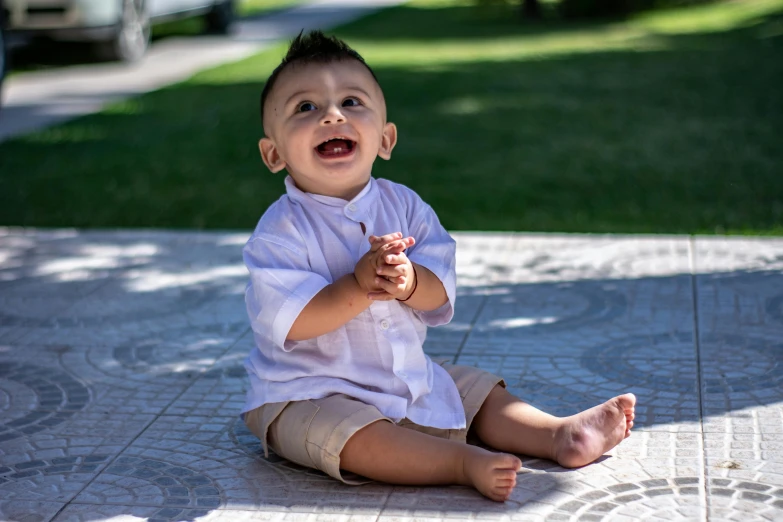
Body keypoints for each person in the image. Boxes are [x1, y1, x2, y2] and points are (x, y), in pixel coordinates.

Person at [241, 30, 636, 502]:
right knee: (346, 434)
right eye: (305, 108)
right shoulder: (281, 230)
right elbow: (296, 320)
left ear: (385, 139)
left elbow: (439, 289)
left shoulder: (406, 207)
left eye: (351, 101)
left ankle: (558, 433)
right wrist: (360, 285)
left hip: (402, 373)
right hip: (305, 392)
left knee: (473, 389)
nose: (332, 114)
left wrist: (409, 283)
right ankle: (458, 462)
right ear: (274, 154)